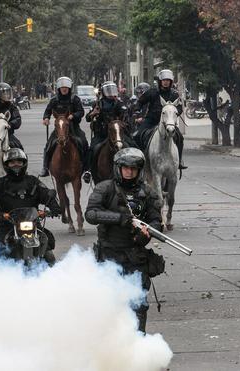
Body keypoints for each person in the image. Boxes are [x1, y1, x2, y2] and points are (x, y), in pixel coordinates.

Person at [85, 148, 164, 333]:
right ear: (118, 169)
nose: (129, 172)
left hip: (135, 256)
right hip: (109, 254)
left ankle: (138, 344)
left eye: (133, 169)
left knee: (139, 303)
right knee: (108, 302)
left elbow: (156, 221)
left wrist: (147, 233)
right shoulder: (105, 188)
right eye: (126, 168)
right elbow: (91, 214)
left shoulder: (147, 192)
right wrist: (120, 218)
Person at [0, 148, 60, 264]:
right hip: (7, 224)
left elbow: (47, 194)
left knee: (47, 245)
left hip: (32, 225)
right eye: (12, 162)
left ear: (24, 163)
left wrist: (54, 207)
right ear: (6, 165)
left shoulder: (33, 182)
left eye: (19, 162)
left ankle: (53, 274)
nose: (16, 165)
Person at [136, 69, 186, 169]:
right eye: (164, 80)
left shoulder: (174, 94)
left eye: (168, 80)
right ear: (160, 81)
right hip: (151, 120)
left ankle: (179, 161)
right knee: (137, 136)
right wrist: (137, 112)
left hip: (167, 123)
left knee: (180, 138)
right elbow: (140, 102)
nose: (166, 82)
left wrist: (174, 113)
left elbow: (180, 108)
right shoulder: (152, 92)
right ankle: (139, 160)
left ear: (171, 82)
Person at [39, 76, 89, 177]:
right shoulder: (54, 100)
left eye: (66, 87)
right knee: (49, 145)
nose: (64, 89)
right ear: (59, 88)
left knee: (83, 142)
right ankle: (45, 168)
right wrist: (46, 118)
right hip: (59, 129)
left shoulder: (75, 99)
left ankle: (86, 169)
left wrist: (73, 115)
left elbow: (81, 111)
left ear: (69, 88)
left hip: (74, 128)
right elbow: (47, 111)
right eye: (62, 87)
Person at [83, 81, 128, 183]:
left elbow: (126, 117)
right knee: (93, 149)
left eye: (113, 90)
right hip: (101, 134)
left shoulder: (119, 104)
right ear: (103, 92)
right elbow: (87, 118)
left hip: (117, 134)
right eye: (108, 91)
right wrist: (93, 113)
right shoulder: (97, 104)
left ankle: (138, 169)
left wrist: (123, 122)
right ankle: (89, 170)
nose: (111, 93)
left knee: (131, 145)